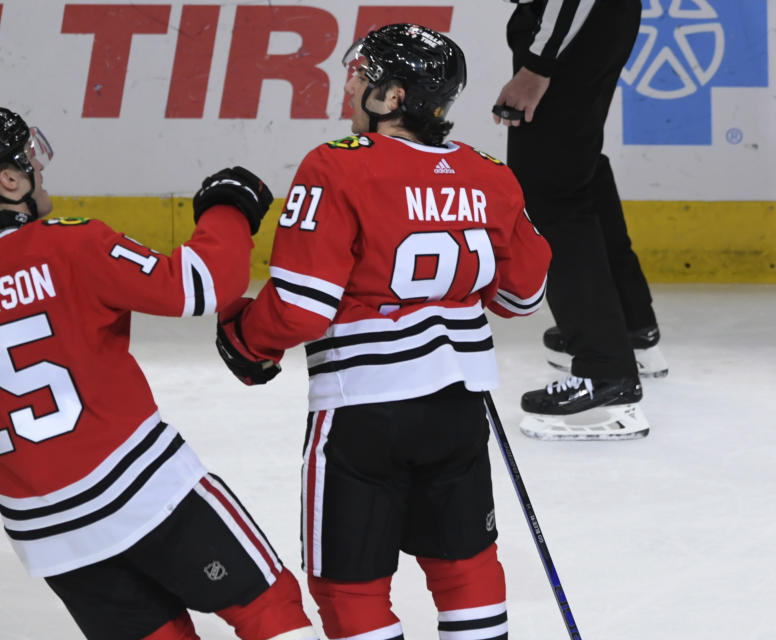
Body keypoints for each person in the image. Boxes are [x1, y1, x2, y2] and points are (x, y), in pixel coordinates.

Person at [0, 107, 318, 640]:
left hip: (51, 537)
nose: (40, 168)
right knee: (271, 611)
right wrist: (229, 206)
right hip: (149, 495)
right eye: (29, 160)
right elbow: (199, 286)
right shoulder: (71, 245)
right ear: (9, 182)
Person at [214, 24, 551, 640]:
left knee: (350, 583)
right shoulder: (490, 174)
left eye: (362, 77)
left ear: (394, 97)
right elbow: (522, 296)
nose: (349, 88)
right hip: (458, 408)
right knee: (465, 564)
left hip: (363, 414)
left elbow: (298, 307)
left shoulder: (335, 167)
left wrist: (244, 338)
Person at [492, 0, 668, 440]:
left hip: (572, 25)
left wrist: (538, 63)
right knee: (576, 169)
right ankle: (629, 328)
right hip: (590, 21)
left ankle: (606, 375)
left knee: (552, 191)